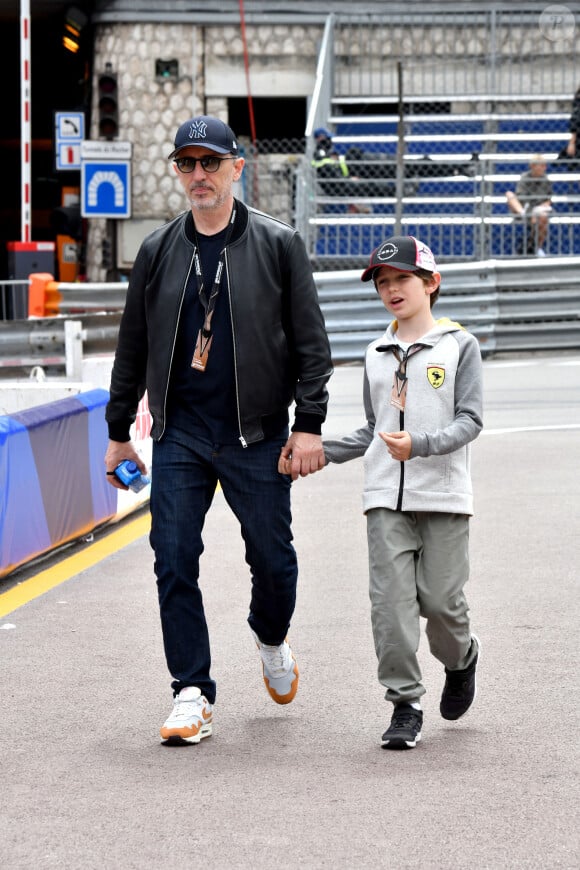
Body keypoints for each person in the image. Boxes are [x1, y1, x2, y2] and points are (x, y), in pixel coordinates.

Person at [104, 115, 333, 745]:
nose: (199, 175)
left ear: (237, 167)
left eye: (211, 163)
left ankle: (270, 635)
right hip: (180, 433)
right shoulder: (157, 251)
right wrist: (119, 431)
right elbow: (132, 347)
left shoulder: (279, 244)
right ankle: (191, 692)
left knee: (275, 562)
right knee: (172, 558)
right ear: (177, 172)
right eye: (187, 164)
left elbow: (314, 347)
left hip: (256, 435)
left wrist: (308, 425)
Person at [320, 236, 483, 750]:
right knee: (390, 606)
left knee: (440, 603)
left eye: (402, 279)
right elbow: (375, 430)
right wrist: (320, 452)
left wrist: (422, 445)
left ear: (431, 283)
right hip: (384, 498)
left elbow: (471, 420)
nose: (392, 289)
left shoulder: (460, 345)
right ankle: (404, 705)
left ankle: (462, 660)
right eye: (383, 282)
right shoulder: (374, 352)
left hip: (444, 498)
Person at [505, 154, 553, 256]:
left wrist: (537, 210)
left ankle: (537, 247)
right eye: (540, 165)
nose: (543, 168)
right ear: (532, 166)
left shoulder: (546, 180)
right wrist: (527, 211)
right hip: (524, 207)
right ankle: (523, 215)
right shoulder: (525, 177)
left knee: (543, 217)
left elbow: (548, 200)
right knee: (509, 195)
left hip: (538, 208)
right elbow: (521, 197)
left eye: (544, 166)